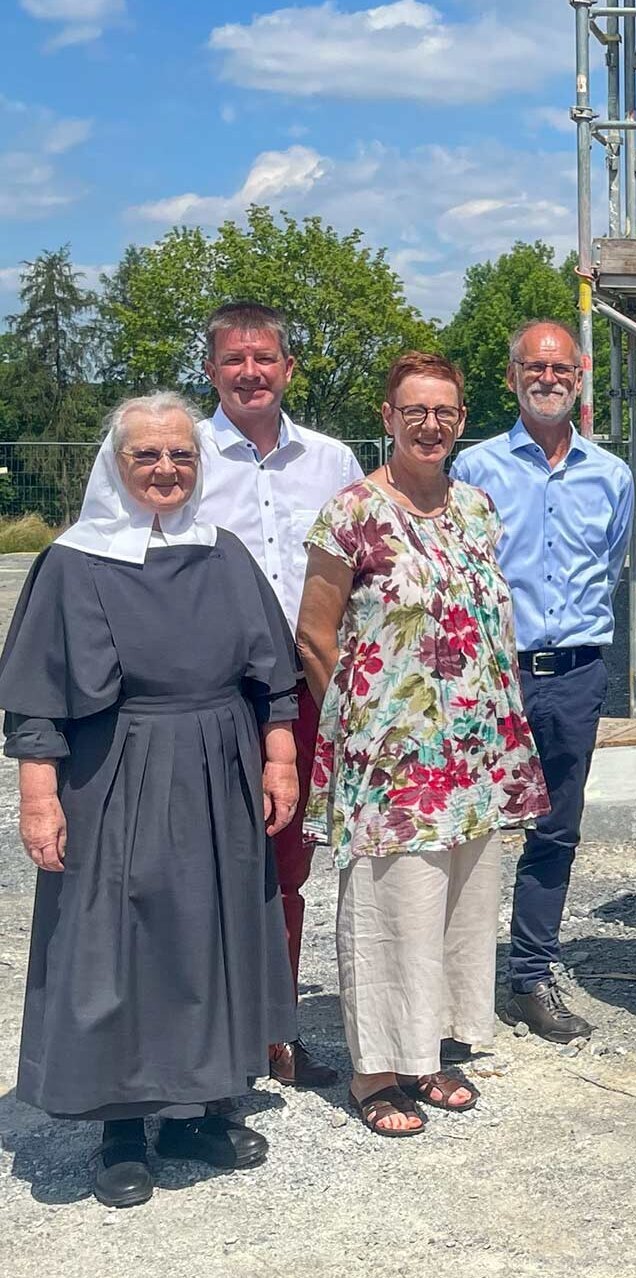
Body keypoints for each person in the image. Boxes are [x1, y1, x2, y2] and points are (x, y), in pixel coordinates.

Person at [0, 393, 300, 1208]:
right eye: (147, 456)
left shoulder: (222, 552)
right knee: (118, 942)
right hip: (114, 772)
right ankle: (121, 1125)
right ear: (117, 463)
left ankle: (198, 1110)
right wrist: (38, 799)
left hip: (217, 766)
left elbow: (272, 672)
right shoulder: (73, 559)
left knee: (210, 936)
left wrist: (279, 758)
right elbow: (34, 699)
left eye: (182, 456)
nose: (166, 470)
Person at [297, 352, 550, 1137]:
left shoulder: (477, 509)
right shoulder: (352, 514)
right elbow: (313, 634)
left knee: (460, 905)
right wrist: (366, 725)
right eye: (415, 412)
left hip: (472, 753)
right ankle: (376, 1069)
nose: (430, 425)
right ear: (387, 418)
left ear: (461, 420)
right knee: (389, 906)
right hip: (393, 760)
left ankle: (430, 1052)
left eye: (443, 412)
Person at [450, 320, 634, 1043]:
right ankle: (455, 981)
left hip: (576, 674)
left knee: (554, 830)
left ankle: (531, 973)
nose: (548, 378)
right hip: (495, 672)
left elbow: (614, 564)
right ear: (512, 376)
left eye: (561, 368)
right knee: (468, 827)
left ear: (580, 375)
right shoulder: (476, 469)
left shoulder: (611, 476)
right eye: (534, 367)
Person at [196, 300, 364, 1089]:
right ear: (212, 370)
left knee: (285, 866)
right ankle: (200, 1040)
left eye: (264, 358)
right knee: (198, 866)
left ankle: (275, 1028)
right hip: (201, 698)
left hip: (297, 693)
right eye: (235, 359)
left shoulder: (331, 462)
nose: (251, 372)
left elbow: (365, 569)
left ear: (288, 368)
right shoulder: (178, 453)